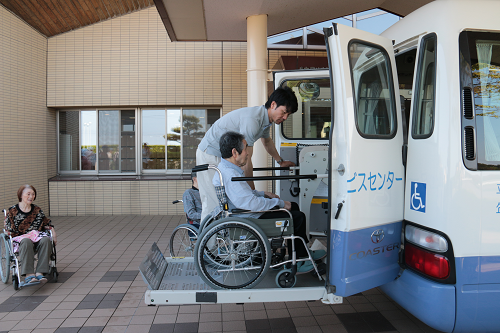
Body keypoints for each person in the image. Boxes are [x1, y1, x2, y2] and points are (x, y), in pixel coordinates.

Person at [213, 131, 325, 272]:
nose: (247, 153)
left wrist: (264, 193)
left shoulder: (226, 169)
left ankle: (302, 252)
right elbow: (251, 204)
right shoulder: (230, 175)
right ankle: (300, 260)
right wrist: (280, 204)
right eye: (246, 148)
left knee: (294, 206)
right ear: (235, 152)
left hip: (245, 213)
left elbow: (244, 196)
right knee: (297, 217)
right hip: (250, 217)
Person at [197, 86, 299, 221]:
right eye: (284, 112)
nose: (285, 117)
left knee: (225, 203)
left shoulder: (264, 120)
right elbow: (246, 161)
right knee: (213, 203)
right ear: (273, 104)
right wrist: (253, 195)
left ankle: (221, 239)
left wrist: (280, 161)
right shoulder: (253, 120)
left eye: (288, 115)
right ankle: (207, 241)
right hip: (209, 153)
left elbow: (267, 142)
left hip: (223, 156)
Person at [4, 185, 57, 286]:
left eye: (33, 194)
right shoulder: (12, 211)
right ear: (20, 195)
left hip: (36, 239)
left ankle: (40, 272)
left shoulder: (37, 210)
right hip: (21, 241)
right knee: (26, 241)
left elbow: (47, 223)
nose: (31, 196)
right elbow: (9, 229)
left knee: (46, 240)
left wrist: (53, 233)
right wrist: (26, 235)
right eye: (28, 194)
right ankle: (29, 274)